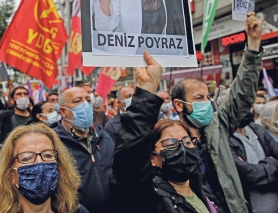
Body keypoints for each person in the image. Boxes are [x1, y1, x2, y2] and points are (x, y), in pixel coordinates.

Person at [169, 12, 263, 213]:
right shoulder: (169, 142)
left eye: (207, 97)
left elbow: (242, 95)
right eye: (198, 98)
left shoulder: (217, 126)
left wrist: (253, 46)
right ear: (178, 105)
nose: (207, 103)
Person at [111, 51, 218, 213]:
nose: (182, 148)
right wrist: (147, 91)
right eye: (170, 143)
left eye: (187, 141)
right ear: (153, 158)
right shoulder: (149, 200)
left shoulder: (204, 192)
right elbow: (129, 160)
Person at [0, 123, 88, 213]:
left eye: (47, 155)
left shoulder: (77, 211)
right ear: (11, 174)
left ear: (60, 167)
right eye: (27, 158)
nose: (39, 163)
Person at [56, 87, 116, 213]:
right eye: (77, 101)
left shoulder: (104, 137)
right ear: (63, 111)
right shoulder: (55, 143)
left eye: (88, 100)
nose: (85, 105)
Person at [229, 116, 278, 213]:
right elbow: (250, 174)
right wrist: (272, 161)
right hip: (253, 206)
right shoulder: (225, 139)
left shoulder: (256, 129)